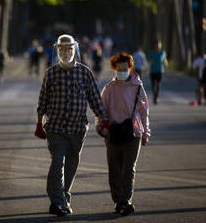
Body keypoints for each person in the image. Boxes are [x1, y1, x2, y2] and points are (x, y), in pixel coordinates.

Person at [35, 34, 108, 217]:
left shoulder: (84, 72)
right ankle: (57, 202)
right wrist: (39, 123)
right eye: (62, 49)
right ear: (57, 50)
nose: (65, 52)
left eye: (69, 49)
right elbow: (42, 101)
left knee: (71, 164)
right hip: (55, 128)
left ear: (74, 50)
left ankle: (64, 197)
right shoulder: (51, 73)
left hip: (77, 128)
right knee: (57, 161)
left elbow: (94, 98)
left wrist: (104, 120)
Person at [97, 53, 150, 216]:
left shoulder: (138, 87)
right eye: (119, 69)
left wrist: (146, 132)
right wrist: (101, 127)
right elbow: (101, 111)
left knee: (129, 169)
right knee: (114, 169)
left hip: (134, 133)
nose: (122, 71)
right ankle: (118, 200)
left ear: (130, 68)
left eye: (125, 68)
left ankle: (125, 200)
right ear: (114, 69)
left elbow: (144, 111)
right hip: (112, 133)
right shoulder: (109, 88)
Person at [148, 40, 168, 105]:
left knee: (158, 84)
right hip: (153, 71)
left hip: (160, 71)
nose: (158, 46)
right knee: (153, 85)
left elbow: (164, 59)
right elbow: (149, 61)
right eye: (157, 45)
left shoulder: (163, 52)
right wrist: (150, 62)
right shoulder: (151, 52)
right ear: (155, 45)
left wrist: (166, 65)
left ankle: (156, 97)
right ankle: (155, 95)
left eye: (159, 45)